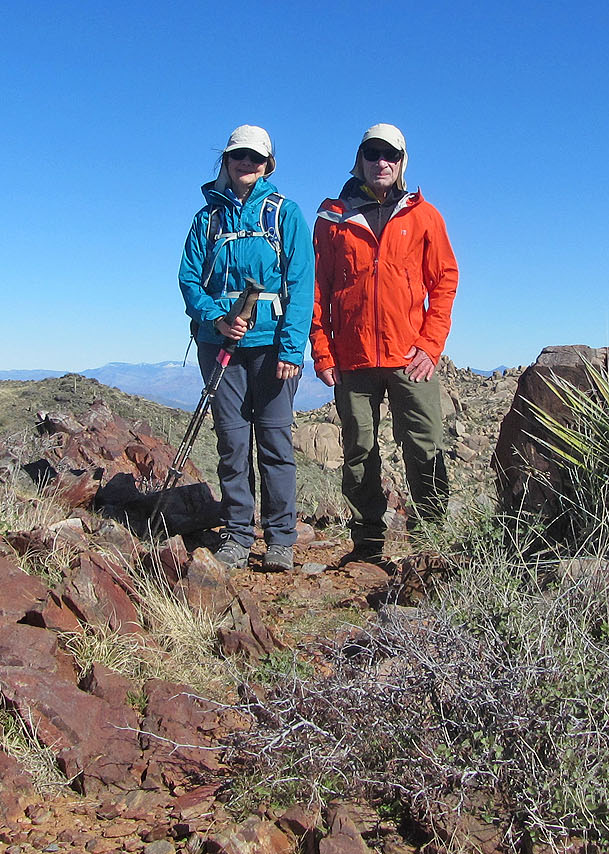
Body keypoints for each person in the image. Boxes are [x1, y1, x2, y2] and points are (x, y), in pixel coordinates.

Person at [309, 123, 459, 562]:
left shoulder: (423, 215)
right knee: (359, 450)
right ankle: (367, 545)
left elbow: (444, 280)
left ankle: (432, 543)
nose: (381, 162)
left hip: (409, 355)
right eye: (373, 153)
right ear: (360, 159)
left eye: (390, 154)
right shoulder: (332, 218)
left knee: (425, 445)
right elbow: (316, 290)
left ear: (402, 161)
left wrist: (431, 345)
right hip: (352, 357)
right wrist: (322, 351)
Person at [178, 124, 313, 571]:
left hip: (272, 347)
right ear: (227, 160)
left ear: (267, 164)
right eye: (239, 156)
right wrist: (217, 318)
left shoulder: (285, 214)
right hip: (221, 345)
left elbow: (301, 283)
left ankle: (280, 539)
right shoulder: (207, 220)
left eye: (255, 158)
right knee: (232, 442)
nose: (246, 164)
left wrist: (292, 349)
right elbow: (189, 279)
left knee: (275, 442)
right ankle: (236, 534)